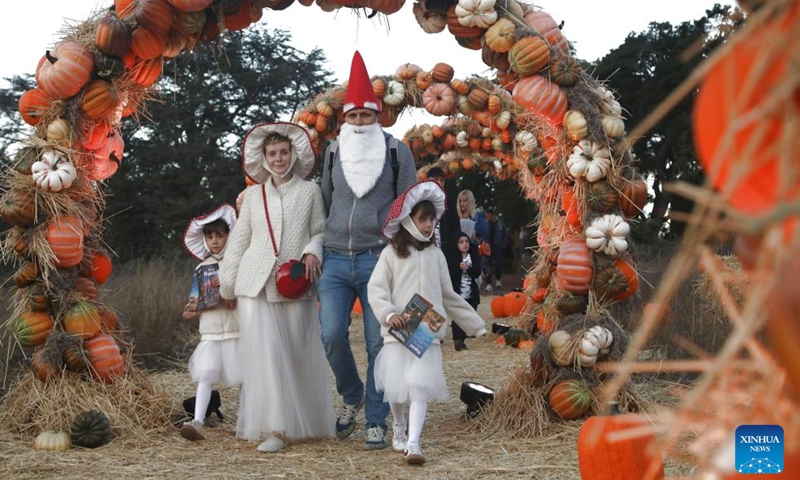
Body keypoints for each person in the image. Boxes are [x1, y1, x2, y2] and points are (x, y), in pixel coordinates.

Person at [318, 51, 417, 450]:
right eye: (353, 116)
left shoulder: (397, 151)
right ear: (345, 119)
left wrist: (405, 257)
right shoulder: (332, 151)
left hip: (379, 259)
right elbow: (322, 201)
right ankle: (351, 394)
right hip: (335, 259)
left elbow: (410, 204)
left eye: (365, 116)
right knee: (331, 336)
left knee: (379, 342)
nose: (359, 122)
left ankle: (376, 419)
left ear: (378, 116)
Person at [218, 121, 335, 453]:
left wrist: (313, 252)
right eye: (273, 153)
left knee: (296, 352)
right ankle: (277, 428)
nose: (279, 158)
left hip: (294, 283)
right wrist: (227, 284)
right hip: (255, 284)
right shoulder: (253, 195)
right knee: (268, 356)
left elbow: (320, 230)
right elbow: (239, 241)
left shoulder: (310, 191)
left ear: (292, 153)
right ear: (264, 157)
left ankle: (301, 422)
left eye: (284, 151)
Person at [368, 181, 487, 465]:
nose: (428, 224)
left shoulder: (436, 255)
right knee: (397, 387)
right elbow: (376, 289)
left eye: (432, 219)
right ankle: (398, 426)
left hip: (427, 330)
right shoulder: (391, 254)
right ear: (409, 219)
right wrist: (388, 314)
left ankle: (414, 442)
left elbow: (449, 295)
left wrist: (475, 324)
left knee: (419, 386)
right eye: (423, 219)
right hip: (399, 329)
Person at [180, 204, 241, 442]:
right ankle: (197, 421)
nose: (215, 241)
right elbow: (194, 298)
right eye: (210, 236)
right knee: (205, 374)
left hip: (237, 327)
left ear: (229, 236)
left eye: (220, 235)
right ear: (205, 239)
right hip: (211, 330)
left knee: (244, 376)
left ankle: (246, 420)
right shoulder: (201, 268)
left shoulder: (236, 264)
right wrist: (191, 309)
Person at [444, 232, 482, 351]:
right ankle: (458, 340)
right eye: (461, 242)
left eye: (466, 241)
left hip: (471, 292)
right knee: (458, 316)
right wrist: (459, 269)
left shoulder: (473, 256)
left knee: (470, 313)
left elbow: (477, 273)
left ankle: (464, 337)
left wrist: (468, 269)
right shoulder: (452, 258)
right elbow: (450, 274)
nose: (465, 244)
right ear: (456, 245)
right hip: (458, 292)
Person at [423, 167, 460, 248]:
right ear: (427, 181)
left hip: (446, 249)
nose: (439, 182)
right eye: (436, 179)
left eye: (442, 180)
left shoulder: (449, 203)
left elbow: (456, 228)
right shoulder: (421, 201)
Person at [484, 209, 510, 291]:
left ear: (492, 215)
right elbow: (482, 234)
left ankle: (498, 280)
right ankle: (488, 283)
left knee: (498, 264)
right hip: (487, 247)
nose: (487, 217)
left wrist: (503, 246)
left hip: (498, 247)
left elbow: (505, 236)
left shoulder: (501, 224)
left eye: (488, 216)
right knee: (488, 265)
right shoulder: (485, 224)